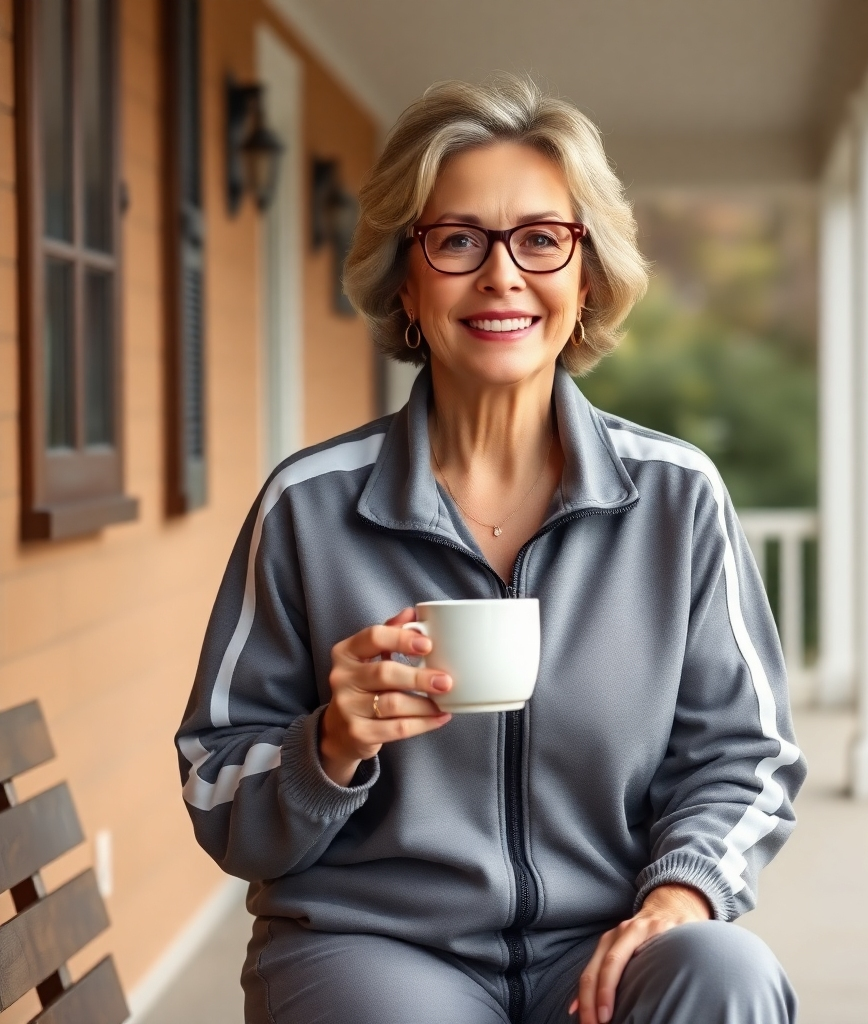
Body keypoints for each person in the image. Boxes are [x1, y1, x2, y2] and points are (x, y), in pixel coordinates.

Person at [176, 75, 806, 1024]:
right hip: (371, 949)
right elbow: (214, 782)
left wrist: (679, 897)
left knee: (725, 972)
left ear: (587, 279)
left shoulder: (676, 499)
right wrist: (329, 743)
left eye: (541, 240)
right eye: (459, 240)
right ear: (406, 280)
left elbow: (745, 755)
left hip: (602, 942)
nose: (503, 275)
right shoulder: (309, 508)